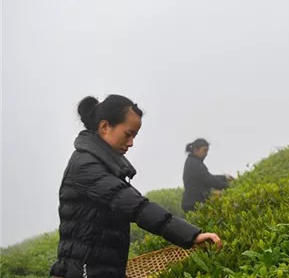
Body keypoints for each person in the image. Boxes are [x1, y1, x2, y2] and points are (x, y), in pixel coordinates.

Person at [50, 95, 222, 278]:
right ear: (104, 127)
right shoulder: (86, 166)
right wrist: (191, 235)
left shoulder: (104, 164)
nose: (131, 143)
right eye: (128, 134)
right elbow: (136, 206)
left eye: (135, 135)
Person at [181, 138, 234, 213]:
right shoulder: (194, 164)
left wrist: (224, 177)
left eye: (207, 151)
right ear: (196, 150)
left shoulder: (193, 161)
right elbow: (209, 179)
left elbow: (207, 176)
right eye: (204, 150)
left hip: (192, 202)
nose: (206, 153)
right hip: (193, 203)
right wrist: (229, 186)